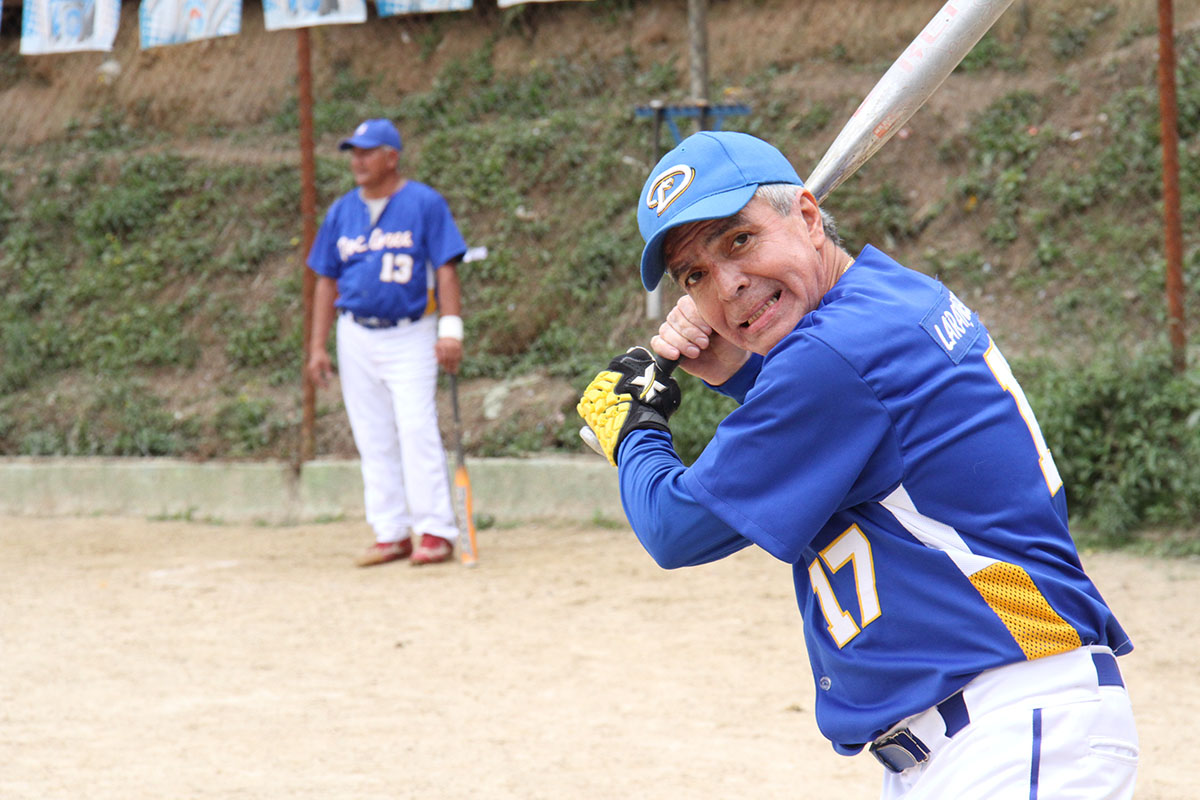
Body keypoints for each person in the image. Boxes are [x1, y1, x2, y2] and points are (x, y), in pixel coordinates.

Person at [576, 131, 1138, 799]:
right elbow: (863, 441)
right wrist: (739, 374)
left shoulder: (835, 355)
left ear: (809, 218)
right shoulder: (886, 298)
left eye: (738, 240)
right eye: (694, 275)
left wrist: (635, 431)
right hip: (983, 730)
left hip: (1012, 725)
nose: (728, 286)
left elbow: (674, 528)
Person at [307, 118, 466, 567]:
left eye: (366, 151)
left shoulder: (424, 203)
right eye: (353, 152)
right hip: (354, 331)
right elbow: (325, 280)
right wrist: (317, 346)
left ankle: (435, 529)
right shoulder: (341, 211)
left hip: (411, 331)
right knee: (371, 434)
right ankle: (391, 531)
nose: (357, 160)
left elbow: (447, 269)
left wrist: (450, 331)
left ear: (391, 157)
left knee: (416, 426)